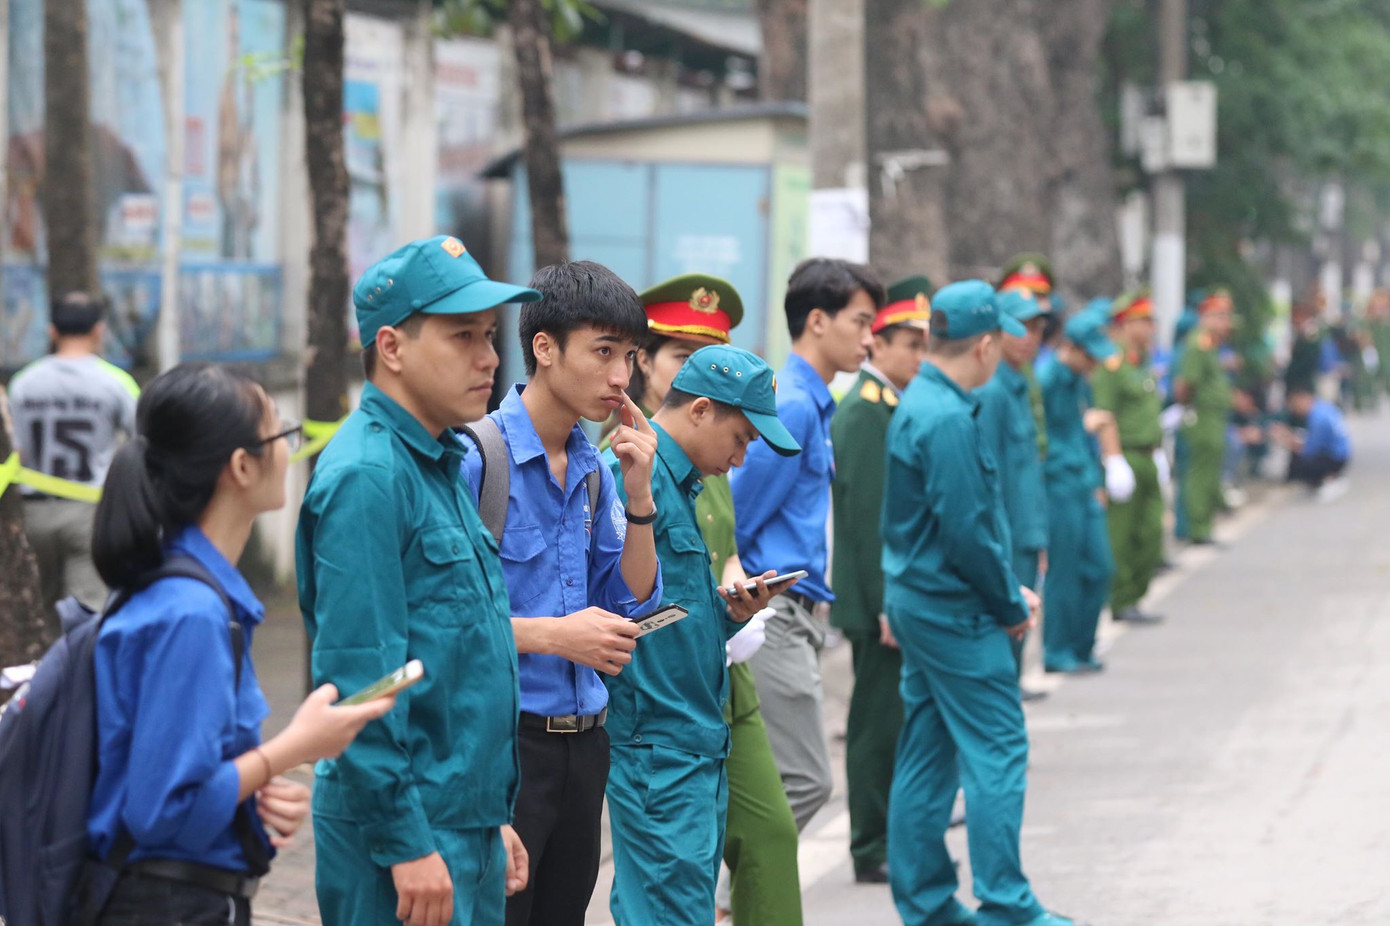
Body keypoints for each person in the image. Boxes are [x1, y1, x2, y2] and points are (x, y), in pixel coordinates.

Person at [87, 363, 392, 923]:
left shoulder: (182, 591)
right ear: (241, 467)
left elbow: (172, 773)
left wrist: (251, 783)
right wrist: (292, 748)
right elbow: (162, 810)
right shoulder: (191, 613)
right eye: (281, 436)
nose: (290, 452)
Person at [298, 236, 535, 926]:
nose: (489, 358)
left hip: (459, 823)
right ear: (392, 348)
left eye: (490, 336)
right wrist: (405, 843)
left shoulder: (439, 459)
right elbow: (362, 680)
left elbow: (456, 659)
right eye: (463, 336)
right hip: (403, 836)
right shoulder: (369, 478)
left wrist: (488, 818)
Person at [459, 260, 662, 926]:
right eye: (603, 352)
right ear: (544, 348)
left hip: (586, 748)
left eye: (629, 357)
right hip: (507, 747)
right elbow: (442, 621)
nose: (620, 377)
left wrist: (639, 496)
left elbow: (627, 598)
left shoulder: (594, 470)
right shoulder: (475, 459)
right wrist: (553, 635)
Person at [881, 280, 1076, 926]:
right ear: (988, 345)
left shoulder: (925, 403)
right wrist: (1008, 602)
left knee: (930, 747)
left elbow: (952, 528)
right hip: (954, 607)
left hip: (923, 598)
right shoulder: (946, 419)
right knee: (998, 744)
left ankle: (928, 903)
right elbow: (966, 531)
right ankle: (1007, 902)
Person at [620, 274, 804, 926]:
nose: (743, 457)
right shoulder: (635, 476)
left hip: (695, 727)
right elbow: (622, 607)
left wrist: (726, 612)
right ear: (700, 410)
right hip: (657, 735)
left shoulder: (692, 483)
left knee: (689, 905)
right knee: (666, 910)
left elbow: (666, 604)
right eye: (742, 438)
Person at [730, 257, 883, 833]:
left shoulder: (814, 401)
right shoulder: (792, 403)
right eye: (861, 322)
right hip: (775, 613)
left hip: (800, 615)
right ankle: (724, 901)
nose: (869, 339)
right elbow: (737, 516)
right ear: (817, 321)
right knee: (805, 780)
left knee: (782, 778)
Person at [829, 274, 931, 884]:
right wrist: (889, 603)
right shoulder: (867, 413)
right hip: (876, 601)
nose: (920, 356)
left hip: (887, 596)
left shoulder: (889, 406)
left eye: (925, 344)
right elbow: (868, 523)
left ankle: (888, 833)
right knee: (874, 726)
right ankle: (870, 847)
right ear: (881, 347)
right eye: (910, 344)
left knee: (893, 720)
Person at [9, 292, 138, 616]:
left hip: (32, 513)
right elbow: (144, 440)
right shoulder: (116, 383)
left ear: (52, 331)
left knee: (41, 614)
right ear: (99, 330)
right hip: (89, 514)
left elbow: (15, 450)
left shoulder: (23, 384)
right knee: (87, 614)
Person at [1039, 312, 1130, 673]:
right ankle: (1057, 651)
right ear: (1071, 348)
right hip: (1057, 484)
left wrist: (1097, 480)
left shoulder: (1080, 380)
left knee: (1100, 566)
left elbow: (1081, 435)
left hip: (1083, 481)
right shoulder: (1047, 380)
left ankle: (1083, 645)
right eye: (1089, 355)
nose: (1094, 363)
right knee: (1063, 571)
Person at [974, 287, 1050, 696]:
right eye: (1020, 326)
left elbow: (1026, 470)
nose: (1030, 336)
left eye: (1037, 327)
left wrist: (1037, 535)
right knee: (1003, 638)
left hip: (1024, 532)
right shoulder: (992, 392)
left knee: (1019, 636)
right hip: (1005, 537)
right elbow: (990, 478)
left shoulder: (1018, 386)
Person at [1091, 290, 1165, 625]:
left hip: (1149, 453)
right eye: (1143, 321)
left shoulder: (1143, 361)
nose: (1150, 328)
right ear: (1126, 324)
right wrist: (1114, 459)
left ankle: (1136, 594)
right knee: (1121, 534)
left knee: (1151, 533)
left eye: (1151, 321)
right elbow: (1105, 412)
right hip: (1127, 455)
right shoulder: (1112, 364)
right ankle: (1121, 599)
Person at [1174, 290, 1235, 545]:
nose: (1225, 322)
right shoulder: (1198, 344)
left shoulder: (1212, 344)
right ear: (1205, 317)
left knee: (1210, 473)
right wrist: (1190, 408)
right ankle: (1196, 528)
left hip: (1215, 416)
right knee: (1199, 476)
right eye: (1219, 316)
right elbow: (1185, 385)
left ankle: (1204, 524)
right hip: (1202, 416)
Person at [1272, 386, 1352, 500]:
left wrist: (1288, 440)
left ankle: (1328, 478)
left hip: (1335, 457)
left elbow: (1310, 449)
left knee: (1300, 463)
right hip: (1339, 453)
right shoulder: (1324, 408)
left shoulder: (1317, 417)